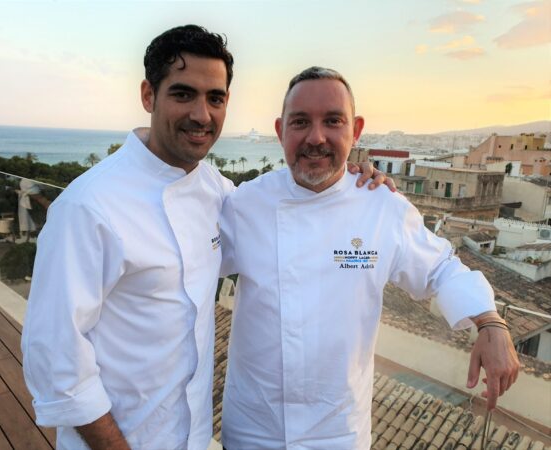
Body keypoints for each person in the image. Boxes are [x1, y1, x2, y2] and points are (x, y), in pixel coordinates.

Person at [21, 27, 389, 450]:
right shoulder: (89, 206)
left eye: (215, 98)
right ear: (148, 95)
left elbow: (284, 226)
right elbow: (55, 357)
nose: (202, 114)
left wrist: (351, 185)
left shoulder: (215, 190)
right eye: (182, 94)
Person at [218, 67, 520, 450]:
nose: (316, 137)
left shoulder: (382, 206)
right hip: (251, 431)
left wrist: (491, 322)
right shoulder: (244, 203)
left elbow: (441, 268)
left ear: (355, 130)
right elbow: (187, 259)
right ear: (280, 131)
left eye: (332, 121)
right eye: (300, 122)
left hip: (338, 433)